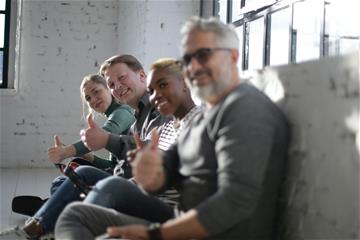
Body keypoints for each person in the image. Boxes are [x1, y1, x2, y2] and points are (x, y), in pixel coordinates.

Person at [55, 16, 290, 240]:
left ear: (232, 57)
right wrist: (152, 174)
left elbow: (236, 201)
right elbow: (168, 171)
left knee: (105, 204)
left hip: (207, 232)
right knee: (75, 216)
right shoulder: (202, 117)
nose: (194, 67)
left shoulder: (245, 108)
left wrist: (156, 234)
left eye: (205, 55)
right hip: (178, 220)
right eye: (188, 58)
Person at [1, 55, 169, 239]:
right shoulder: (137, 118)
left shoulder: (142, 110)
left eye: (122, 78)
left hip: (136, 189)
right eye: (112, 84)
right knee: (67, 180)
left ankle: (45, 220)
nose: (118, 87)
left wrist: (69, 151)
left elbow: (111, 137)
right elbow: (122, 162)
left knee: (82, 176)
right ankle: (55, 214)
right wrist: (91, 159)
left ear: (142, 75)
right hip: (126, 181)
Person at [79, 58, 202, 222]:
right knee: (80, 198)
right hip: (154, 197)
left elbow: (178, 171)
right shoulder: (166, 127)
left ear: (185, 83)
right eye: (152, 90)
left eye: (163, 85)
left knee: (102, 192)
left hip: (175, 211)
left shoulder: (200, 121)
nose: (155, 95)